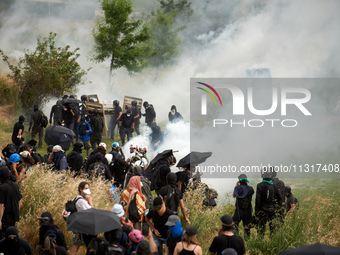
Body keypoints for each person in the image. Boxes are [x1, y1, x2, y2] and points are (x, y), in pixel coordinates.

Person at [70, 182, 95, 255]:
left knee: (76, 245)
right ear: (81, 189)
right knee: (77, 246)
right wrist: (90, 200)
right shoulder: (81, 201)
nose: (87, 190)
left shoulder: (78, 198)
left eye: (88, 188)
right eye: (85, 188)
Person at [255, 168, 281, 237]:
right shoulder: (274, 185)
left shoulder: (259, 185)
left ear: (263, 176)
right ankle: (272, 243)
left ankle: (260, 243)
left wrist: (256, 211)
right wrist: (276, 207)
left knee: (261, 229)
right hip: (272, 209)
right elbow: (280, 197)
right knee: (273, 228)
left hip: (262, 210)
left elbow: (258, 199)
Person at [0, 166, 22, 239]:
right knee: (12, 237)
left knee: (4, 237)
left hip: (5, 218)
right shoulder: (15, 185)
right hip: (14, 217)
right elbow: (19, 202)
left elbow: (1, 205)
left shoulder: (2, 188)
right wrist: (17, 214)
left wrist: (0, 220)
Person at [232, 174, 254, 238]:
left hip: (239, 210)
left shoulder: (238, 189)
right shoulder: (251, 189)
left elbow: (234, 196)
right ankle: (247, 240)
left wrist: (236, 186)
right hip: (248, 210)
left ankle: (236, 238)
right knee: (247, 226)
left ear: (239, 181)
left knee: (234, 224)